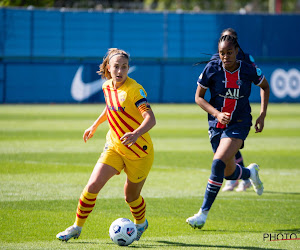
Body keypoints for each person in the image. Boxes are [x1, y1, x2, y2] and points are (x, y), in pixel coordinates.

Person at [56, 48, 156, 242]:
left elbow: (150, 119)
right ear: (108, 68)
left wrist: (136, 134)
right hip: (114, 147)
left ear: (128, 68)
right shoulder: (107, 86)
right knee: (92, 185)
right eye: (116, 67)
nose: (120, 71)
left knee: (131, 197)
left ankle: (141, 223)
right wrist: (95, 125)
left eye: (124, 67)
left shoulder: (135, 90)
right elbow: (110, 107)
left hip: (139, 153)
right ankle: (77, 227)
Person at [186, 34, 270, 229]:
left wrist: (262, 114)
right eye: (222, 53)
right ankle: (250, 173)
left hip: (239, 122)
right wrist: (216, 114)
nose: (225, 57)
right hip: (216, 124)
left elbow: (265, 86)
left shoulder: (248, 69)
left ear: (237, 52)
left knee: (217, 164)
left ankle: (203, 214)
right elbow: (199, 97)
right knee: (228, 173)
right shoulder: (212, 69)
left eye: (229, 52)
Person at [211, 28, 257, 192]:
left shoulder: (245, 58)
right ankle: (242, 176)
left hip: (238, 106)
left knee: (230, 145)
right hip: (221, 109)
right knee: (224, 147)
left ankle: (238, 178)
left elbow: (255, 75)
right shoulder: (217, 59)